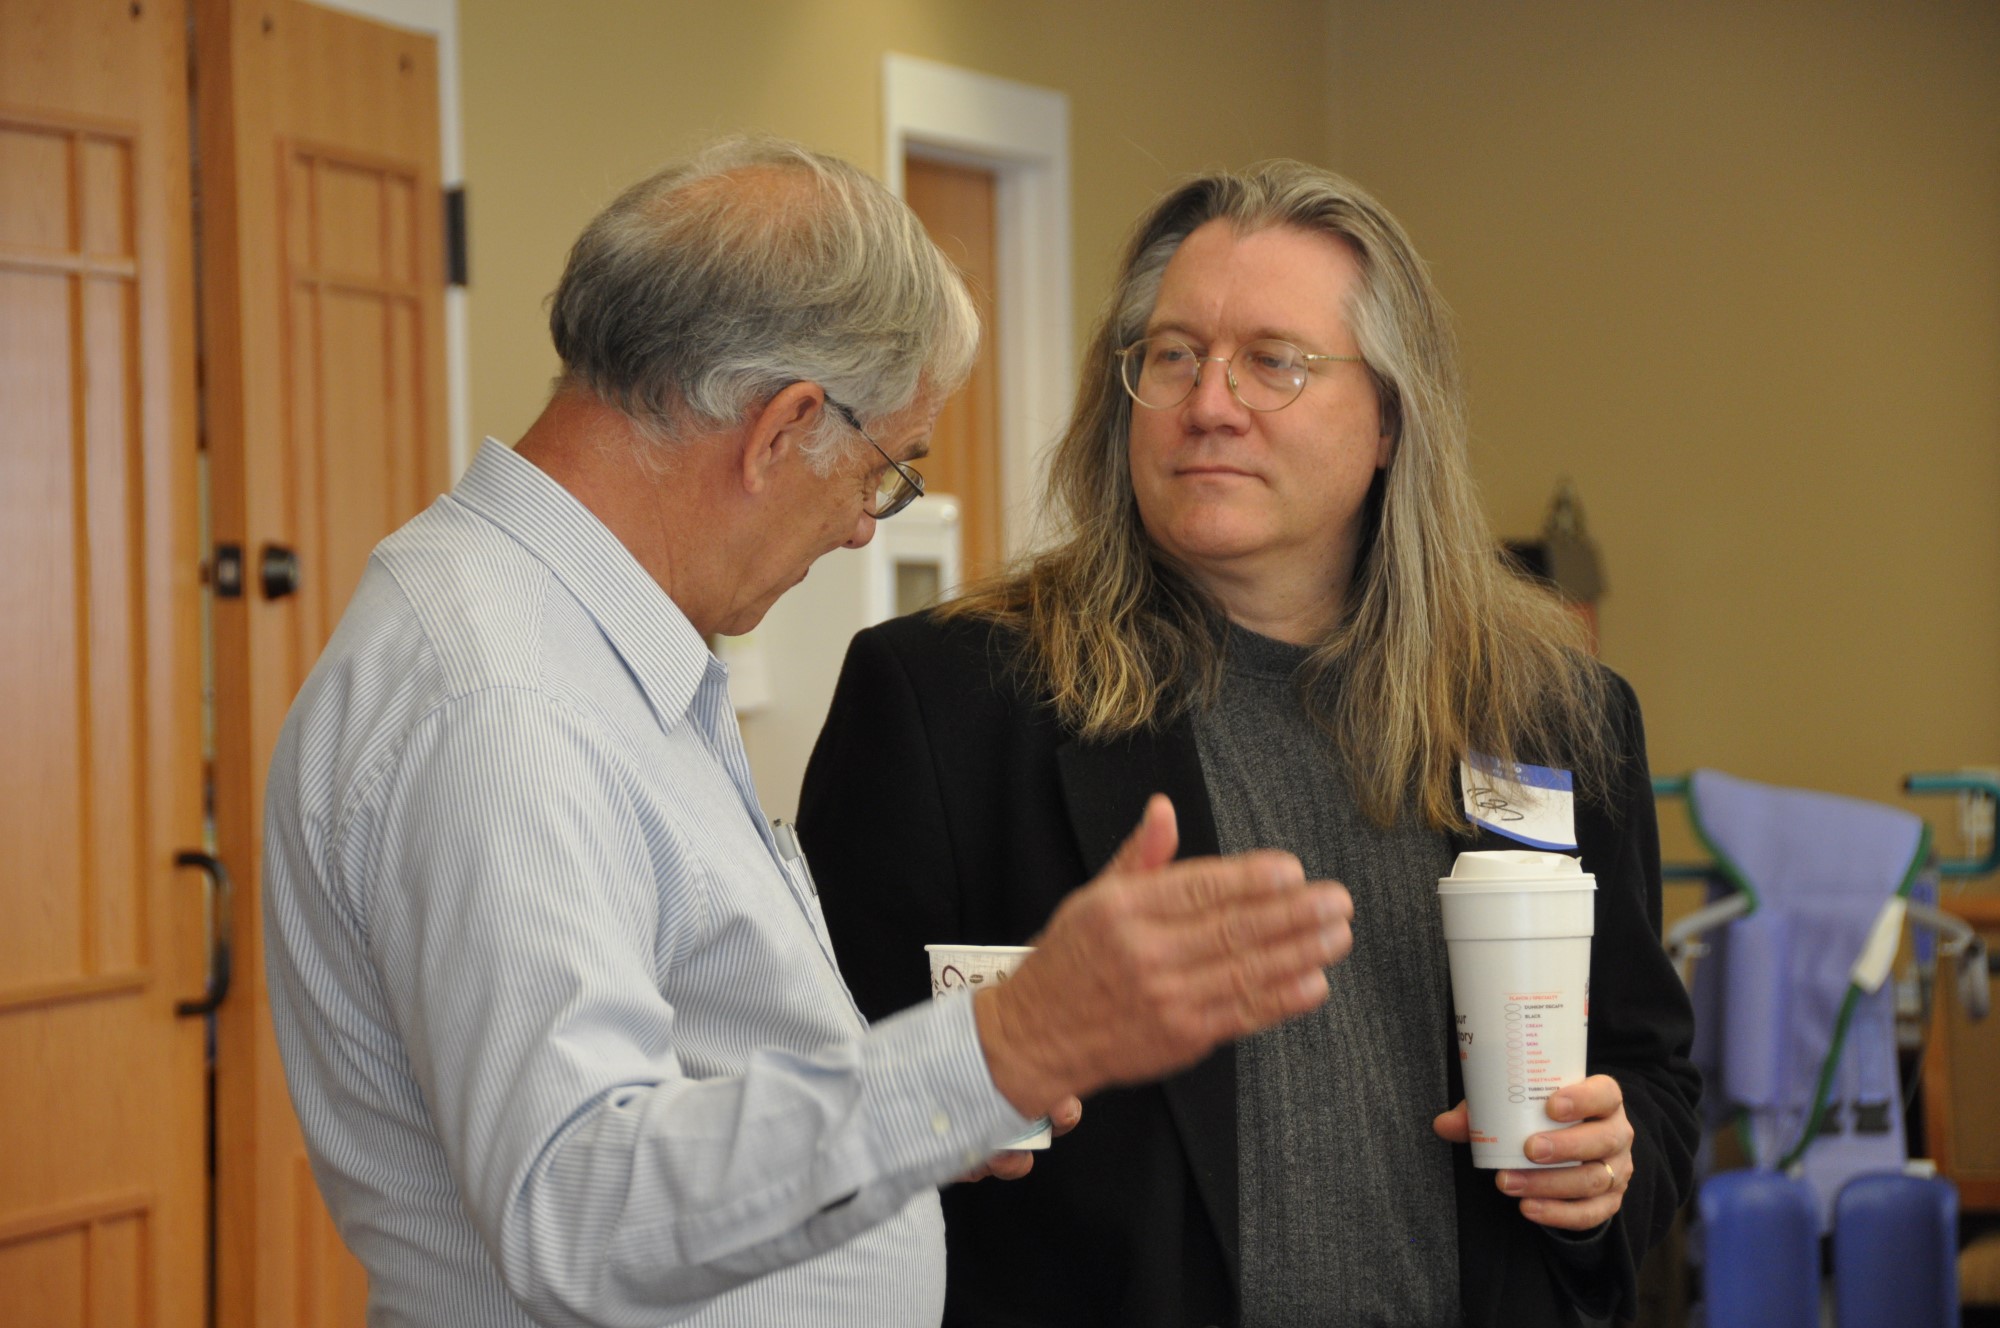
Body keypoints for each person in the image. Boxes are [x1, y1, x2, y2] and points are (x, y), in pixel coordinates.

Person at [261, 138, 1357, 1328]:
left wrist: (929, 1110)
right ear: (781, 429)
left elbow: (699, 1078)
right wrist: (1004, 1044)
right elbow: (581, 1206)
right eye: (884, 471)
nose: (860, 531)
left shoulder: (583, 650)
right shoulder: (506, 704)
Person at [800, 161, 1701, 1328]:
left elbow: (1649, 1070)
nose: (1208, 403)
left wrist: (1603, 1165)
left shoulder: (1546, 711)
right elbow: (815, 1100)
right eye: (1173, 355)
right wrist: (935, 1126)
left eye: (1273, 361)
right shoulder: (952, 703)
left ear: (1389, 418)